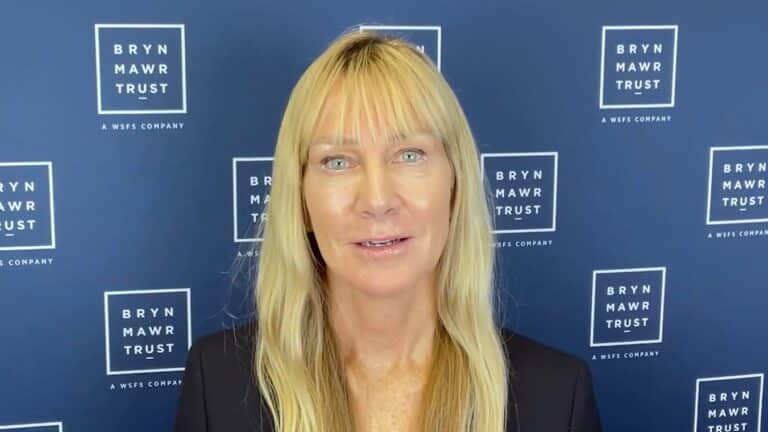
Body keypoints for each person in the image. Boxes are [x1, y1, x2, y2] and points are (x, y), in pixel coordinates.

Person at [173, 28, 602, 432]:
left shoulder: (556, 397)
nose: (377, 199)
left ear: (455, 186)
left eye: (409, 155)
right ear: (300, 200)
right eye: (338, 161)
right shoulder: (220, 385)